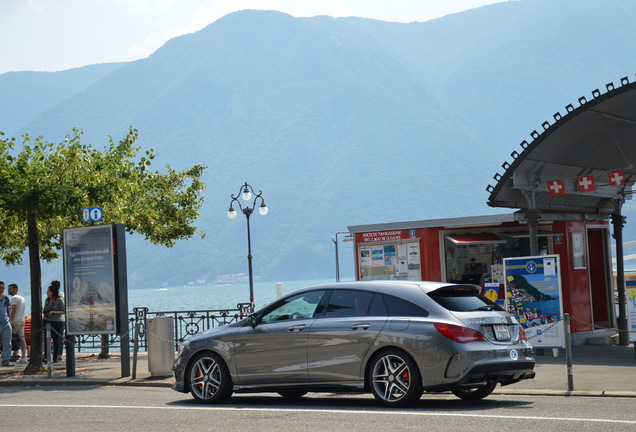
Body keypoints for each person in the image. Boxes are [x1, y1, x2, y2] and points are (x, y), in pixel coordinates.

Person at [42, 284, 65, 364]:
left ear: (52, 292)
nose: (47, 292)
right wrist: (44, 312)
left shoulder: (59, 300)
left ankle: (55, 357)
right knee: (46, 339)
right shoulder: (47, 300)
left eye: (48, 291)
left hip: (57, 322)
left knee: (56, 340)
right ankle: (46, 356)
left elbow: (63, 311)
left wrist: (54, 312)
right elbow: (45, 309)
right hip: (47, 321)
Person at [8, 283, 28, 363]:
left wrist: (10, 320)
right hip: (21, 320)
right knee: (22, 339)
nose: (9, 291)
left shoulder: (14, 298)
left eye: (10, 289)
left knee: (9, 338)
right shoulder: (22, 298)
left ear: (15, 289)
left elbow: (14, 310)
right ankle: (23, 356)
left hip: (15, 321)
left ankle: (4, 355)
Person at [0, 281, 13, 366]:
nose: (1, 290)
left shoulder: (6, 299)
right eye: (0, 288)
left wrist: (10, 320)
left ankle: (6, 360)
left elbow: (8, 309)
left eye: (3, 288)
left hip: (5, 323)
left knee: (7, 342)